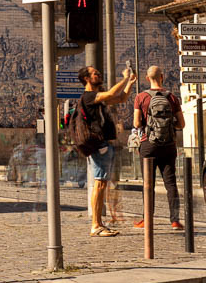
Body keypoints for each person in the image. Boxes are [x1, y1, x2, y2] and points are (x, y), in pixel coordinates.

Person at [79, 65, 135, 237]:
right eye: (95, 73)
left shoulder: (98, 99)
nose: (99, 74)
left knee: (102, 184)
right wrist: (124, 78)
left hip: (105, 145)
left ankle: (99, 223)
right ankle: (95, 225)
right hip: (99, 147)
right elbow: (111, 93)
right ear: (87, 79)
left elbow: (120, 98)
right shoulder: (89, 97)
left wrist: (130, 83)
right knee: (99, 183)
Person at [132, 66, 184, 231]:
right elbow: (181, 124)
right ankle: (175, 220)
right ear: (162, 77)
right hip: (168, 145)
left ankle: (147, 219)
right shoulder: (172, 98)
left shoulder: (141, 97)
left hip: (148, 145)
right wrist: (168, 126)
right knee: (171, 183)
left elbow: (136, 123)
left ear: (147, 78)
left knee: (148, 184)